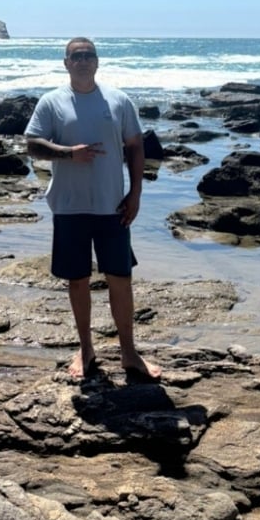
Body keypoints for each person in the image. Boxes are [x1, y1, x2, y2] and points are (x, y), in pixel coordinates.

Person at [24, 37, 161, 381]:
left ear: (97, 62)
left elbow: (135, 147)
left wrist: (136, 194)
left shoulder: (118, 100)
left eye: (89, 55)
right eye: (76, 56)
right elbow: (32, 145)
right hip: (69, 206)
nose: (83, 61)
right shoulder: (52, 102)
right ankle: (86, 350)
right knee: (78, 279)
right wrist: (69, 153)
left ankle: (129, 352)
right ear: (66, 62)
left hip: (111, 205)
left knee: (121, 277)